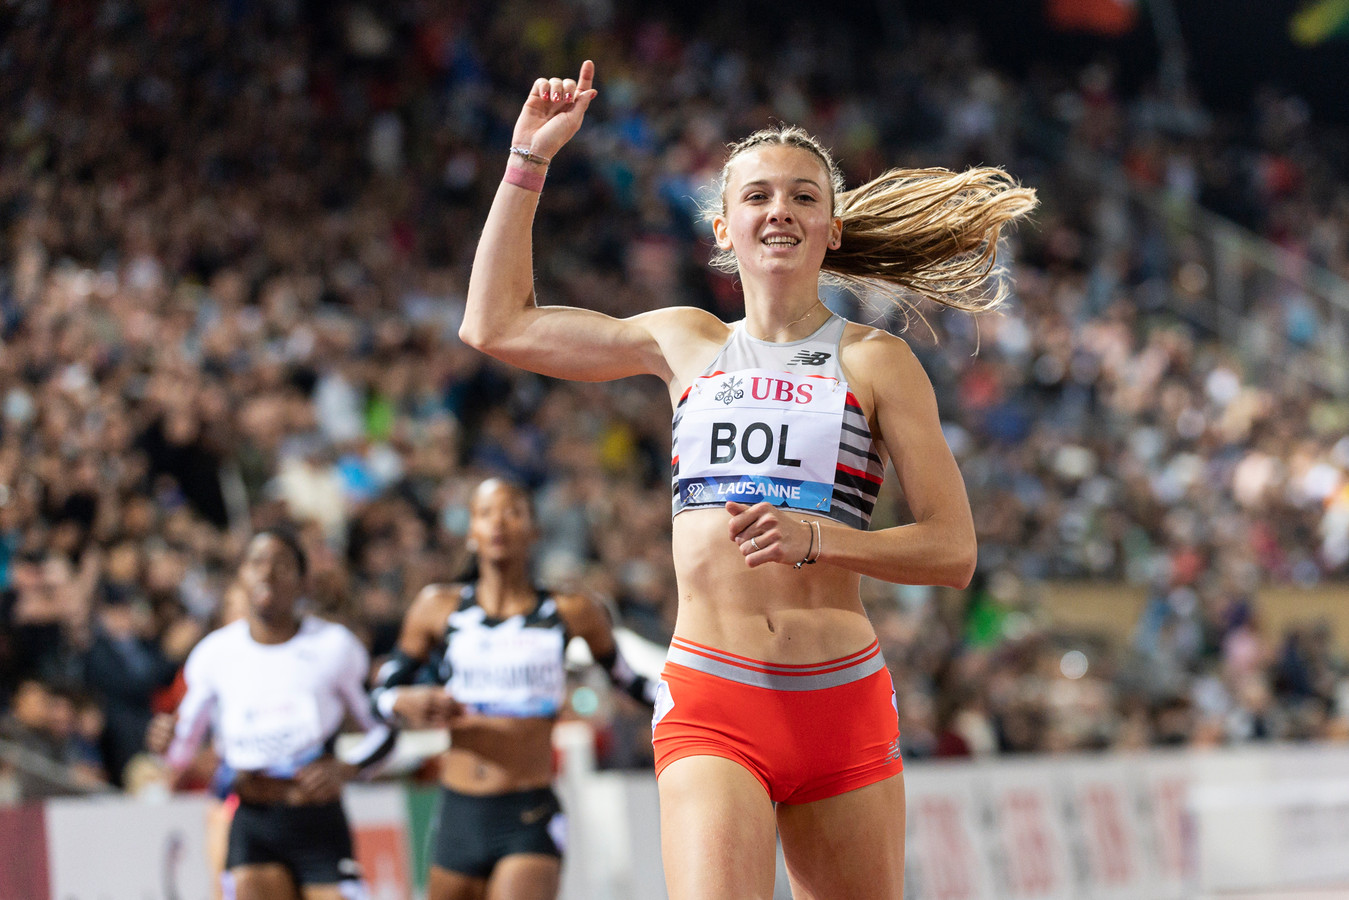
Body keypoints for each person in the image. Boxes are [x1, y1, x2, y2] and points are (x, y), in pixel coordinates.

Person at [458, 61, 1036, 900]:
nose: (781, 211)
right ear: (723, 229)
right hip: (712, 699)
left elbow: (952, 551)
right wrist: (526, 160)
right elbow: (494, 324)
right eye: (758, 195)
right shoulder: (682, 340)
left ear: (831, 230)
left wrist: (818, 538)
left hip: (839, 703)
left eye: (804, 197)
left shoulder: (875, 361)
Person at [369, 476, 656, 900]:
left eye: (513, 511)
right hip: (458, 813)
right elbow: (380, 696)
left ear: (535, 530)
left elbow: (629, 681)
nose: (499, 523)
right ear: (471, 532)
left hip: (528, 811)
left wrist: (692, 700)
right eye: (486, 513)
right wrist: (404, 701)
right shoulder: (437, 609)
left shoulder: (572, 611)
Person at [159, 529, 397, 900]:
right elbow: (179, 752)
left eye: (282, 565)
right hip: (253, 822)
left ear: (304, 583)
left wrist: (347, 769)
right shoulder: (213, 655)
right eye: (256, 563)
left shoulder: (334, 647)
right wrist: (163, 741)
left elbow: (384, 731)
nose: (267, 574)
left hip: (318, 821)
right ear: (241, 577)